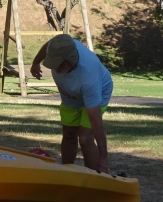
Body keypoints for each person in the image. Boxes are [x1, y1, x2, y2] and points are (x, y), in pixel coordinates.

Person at [30, 34, 113, 173]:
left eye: (59, 65)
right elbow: (50, 44)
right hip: (70, 94)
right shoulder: (59, 46)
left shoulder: (89, 76)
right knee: (68, 133)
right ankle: (67, 172)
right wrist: (36, 62)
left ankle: (94, 178)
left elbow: (96, 121)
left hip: (98, 91)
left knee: (86, 138)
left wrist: (103, 158)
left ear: (70, 61)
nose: (55, 68)